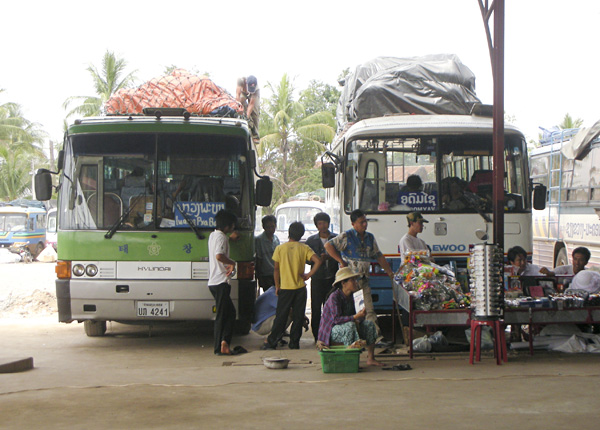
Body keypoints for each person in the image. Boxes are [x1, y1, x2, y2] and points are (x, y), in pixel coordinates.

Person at [324, 209, 394, 341]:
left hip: (364, 280)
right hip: (349, 283)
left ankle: (375, 338)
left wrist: (389, 272)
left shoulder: (370, 237)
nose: (364, 225)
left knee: (368, 310)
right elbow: (328, 245)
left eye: (365, 221)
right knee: (351, 312)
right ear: (353, 224)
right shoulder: (346, 236)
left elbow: (378, 256)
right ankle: (353, 339)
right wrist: (340, 261)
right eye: (361, 222)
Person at [262, 222, 321, 350]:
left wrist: (277, 286)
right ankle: (294, 343)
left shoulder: (280, 248)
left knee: (281, 316)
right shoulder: (304, 248)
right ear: (301, 234)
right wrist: (309, 274)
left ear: (289, 232)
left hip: (285, 288)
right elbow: (318, 261)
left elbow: (276, 269)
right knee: (298, 316)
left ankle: (272, 341)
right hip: (300, 288)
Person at [317, 267, 383, 366]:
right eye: (352, 280)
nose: (356, 282)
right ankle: (348, 360)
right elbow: (336, 320)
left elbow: (357, 317)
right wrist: (355, 317)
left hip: (347, 324)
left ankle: (371, 358)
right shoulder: (334, 297)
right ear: (344, 283)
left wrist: (360, 315)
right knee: (350, 327)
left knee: (369, 324)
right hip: (331, 331)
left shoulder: (354, 296)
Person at [207, 209, 238, 355]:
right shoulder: (221, 238)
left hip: (215, 282)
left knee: (230, 313)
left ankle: (224, 342)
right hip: (220, 281)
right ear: (227, 226)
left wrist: (230, 238)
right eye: (232, 225)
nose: (233, 227)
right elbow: (219, 255)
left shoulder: (213, 235)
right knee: (222, 315)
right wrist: (232, 262)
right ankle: (218, 347)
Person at [305, 212, 338, 342]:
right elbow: (307, 261)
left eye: (324, 223)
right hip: (317, 279)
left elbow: (341, 256)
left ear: (328, 224)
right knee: (316, 307)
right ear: (316, 225)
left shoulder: (336, 238)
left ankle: (330, 335)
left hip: (332, 279)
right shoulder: (311, 241)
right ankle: (317, 335)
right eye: (320, 223)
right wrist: (318, 259)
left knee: (331, 308)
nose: (322, 226)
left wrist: (330, 257)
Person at [255, 215, 280, 293]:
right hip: (266, 275)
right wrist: (260, 277)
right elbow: (258, 260)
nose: (270, 229)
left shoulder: (276, 239)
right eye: (268, 227)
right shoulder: (259, 240)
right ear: (263, 227)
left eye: (272, 226)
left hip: (277, 273)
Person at [236, 75, 260, 143]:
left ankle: (255, 135)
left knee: (255, 112)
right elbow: (237, 94)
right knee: (240, 104)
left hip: (253, 96)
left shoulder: (256, 89)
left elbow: (251, 104)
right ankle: (239, 120)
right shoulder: (240, 81)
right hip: (243, 93)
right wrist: (238, 106)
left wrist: (247, 116)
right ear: (246, 83)